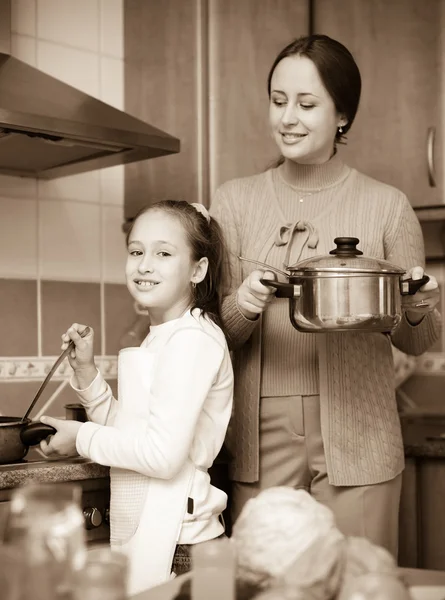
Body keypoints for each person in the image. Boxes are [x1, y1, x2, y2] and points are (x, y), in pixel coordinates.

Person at [209, 34, 441, 558]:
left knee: (359, 583)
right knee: (268, 583)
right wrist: (244, 301)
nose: (287, 117)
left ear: (343, 116)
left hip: (360, 432)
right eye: (278, 100)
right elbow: (218, 334)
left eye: (307, 104)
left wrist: (419, 308)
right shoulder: (235, 201)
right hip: (258, 439)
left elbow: (417, 341)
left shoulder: (387, 206)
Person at [38, 200, 234, 595]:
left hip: (185, 547)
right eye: (136, 251)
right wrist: (87, 373)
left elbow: (161, 456)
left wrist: (79, 437)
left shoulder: (192, 340)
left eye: (163, 253)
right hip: (167, 538)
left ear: (197, 270)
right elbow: (131, 432)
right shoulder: (165, 335)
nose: (145, 264)